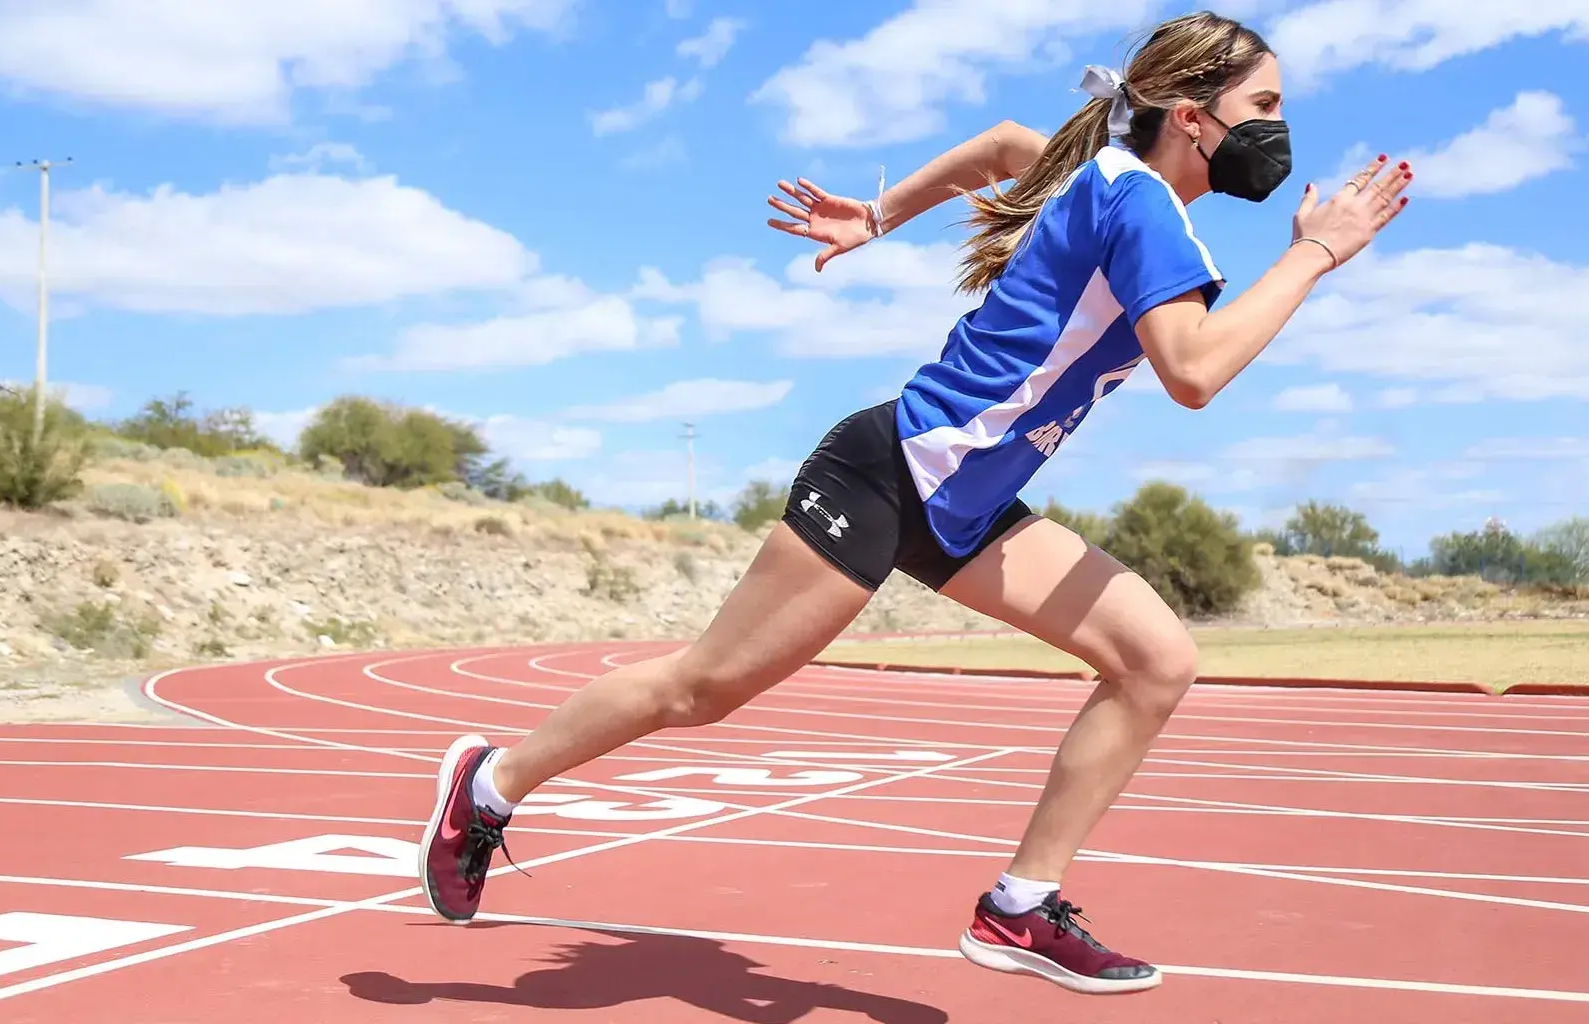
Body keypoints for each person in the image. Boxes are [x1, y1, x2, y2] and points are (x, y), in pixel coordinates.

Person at [417, 9, 1412, 996]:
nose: (1281, 128)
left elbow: (1004, 146)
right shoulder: (1141, 204)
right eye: (1266, 105)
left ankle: (1019, 907)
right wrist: (1315, 253)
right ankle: (491, 782)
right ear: (1193, 116)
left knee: (1155, 659)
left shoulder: (1109, 181)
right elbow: (1192, 373)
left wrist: (875, 218)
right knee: (704, 690)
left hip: (968, 506)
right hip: (890, 472)